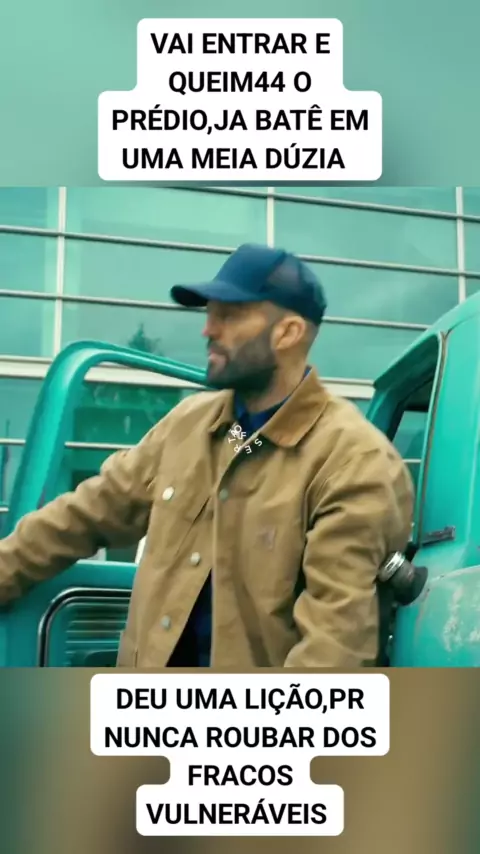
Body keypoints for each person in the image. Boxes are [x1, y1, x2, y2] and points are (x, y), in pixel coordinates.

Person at [0, 243, 414, 668]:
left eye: (229, 316)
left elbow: (333, 652)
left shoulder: (353, 461)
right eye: (209, 314)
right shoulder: (188, 426)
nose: (208, 330)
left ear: (288, 333)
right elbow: (83, 515)